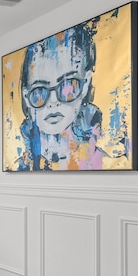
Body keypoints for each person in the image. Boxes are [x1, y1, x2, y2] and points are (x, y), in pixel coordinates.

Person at [16, 22, 106, 171]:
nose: (53, 101)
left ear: (85, 85)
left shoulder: (103, 162)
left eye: (67, 86)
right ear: (26, 97)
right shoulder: (21, 165)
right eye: (39, 91)